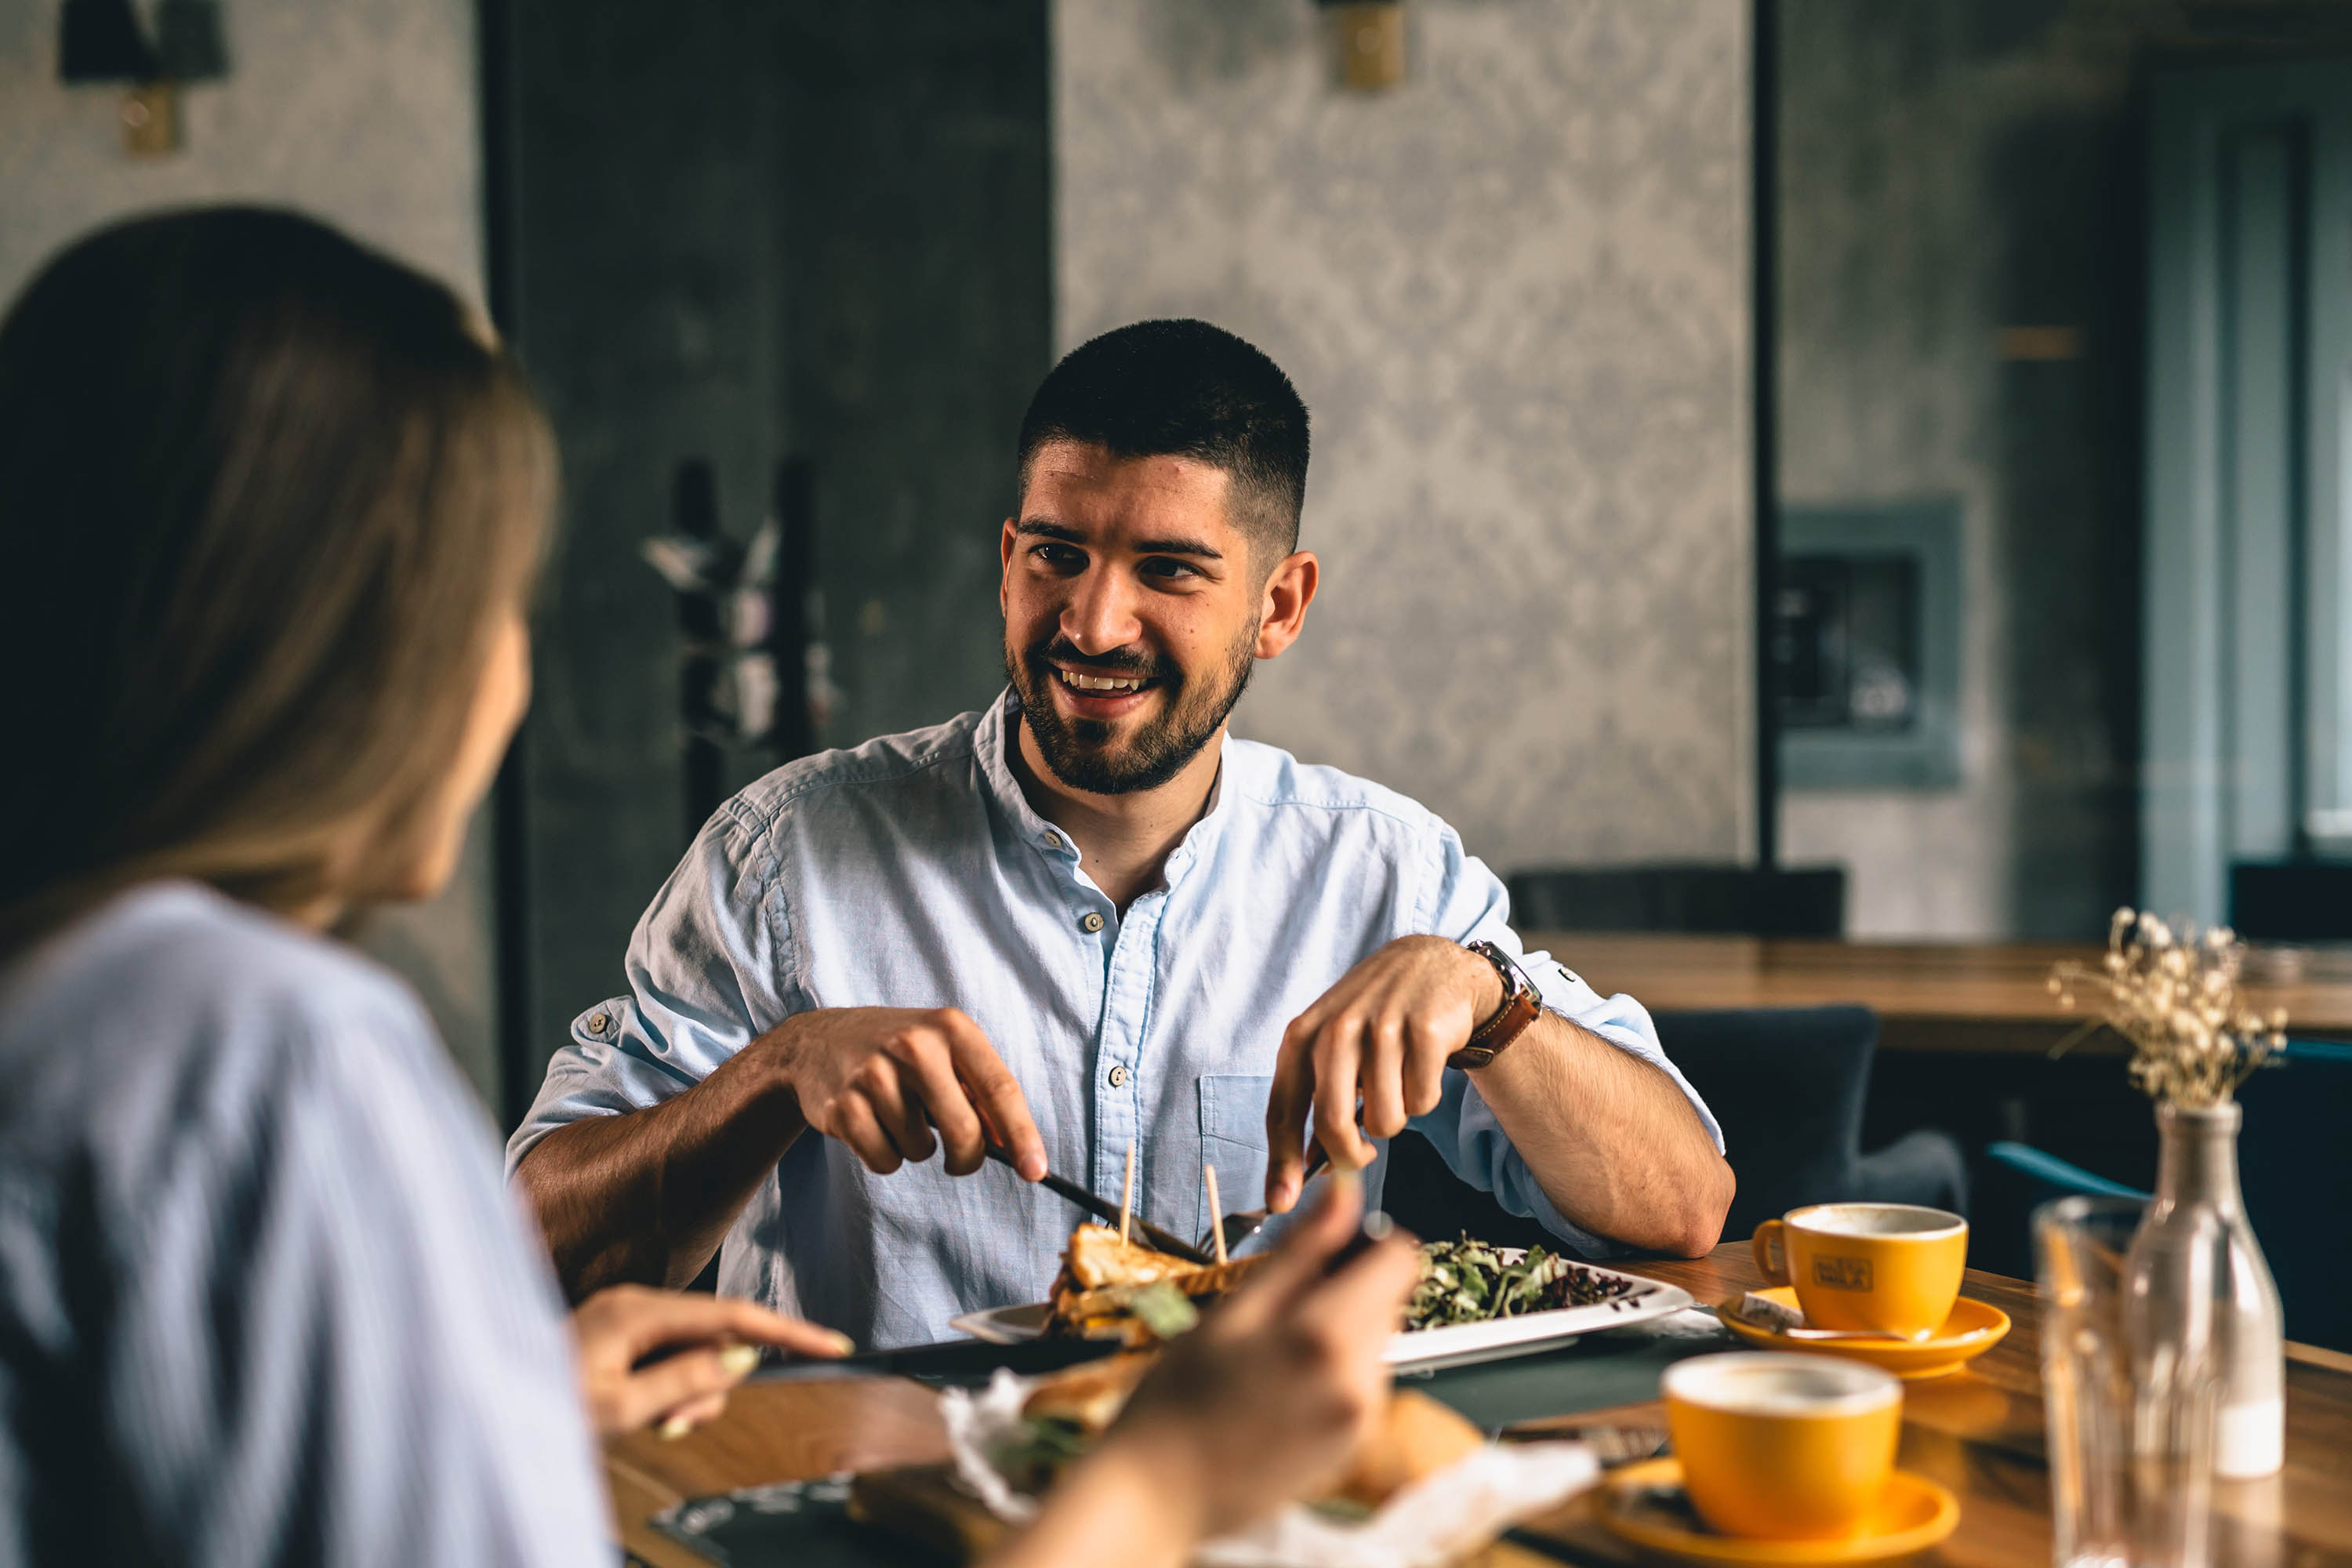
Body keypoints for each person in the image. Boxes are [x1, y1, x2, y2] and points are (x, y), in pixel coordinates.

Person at [0, 208, 1421, 1566]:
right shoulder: (269, 1049)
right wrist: (1166, 1484)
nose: (512, 678)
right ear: (330, 654)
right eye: (494, 604)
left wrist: (511, 1418)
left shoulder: (72, 999)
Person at [513, 318, 1736, 1350]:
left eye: (1168, 569)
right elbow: (533, 1258)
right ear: (1007, 565)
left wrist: (1491, 1003)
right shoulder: (781, 858)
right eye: (1058, 554)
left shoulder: (1390, 871)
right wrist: (773, 1077)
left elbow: (1683, 1210)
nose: (1093, 622)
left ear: (1280, 606)